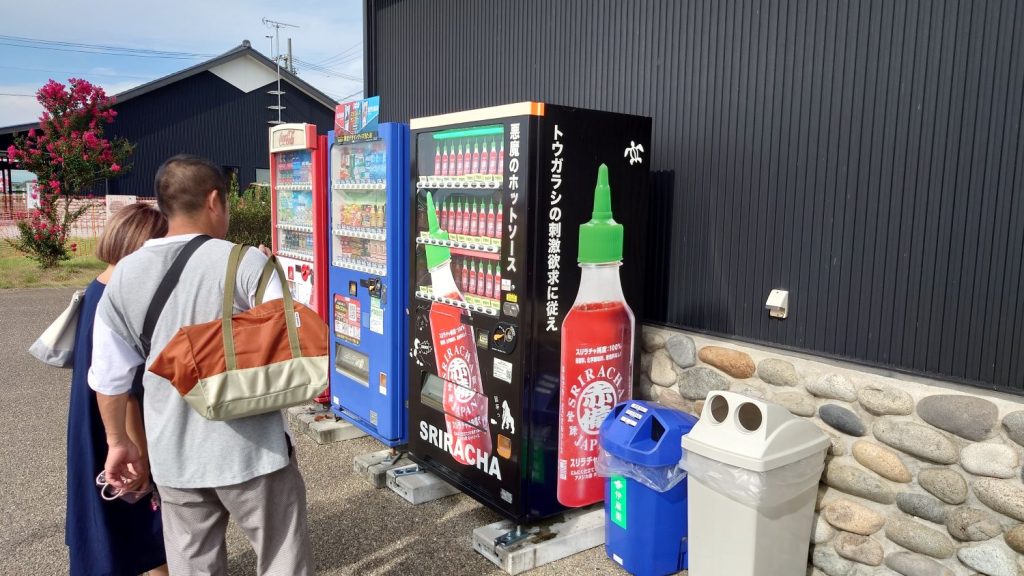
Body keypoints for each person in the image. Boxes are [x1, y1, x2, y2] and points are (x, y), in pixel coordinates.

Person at [89, 155, 313, 575]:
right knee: (282, 557)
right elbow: (294, 338)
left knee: (193, 567)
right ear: (214, 201)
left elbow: (109, 376)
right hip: (255, 451)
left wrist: (119, 441)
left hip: (174, 455)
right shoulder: (245, 262)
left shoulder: (123, 276)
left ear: (164, 206)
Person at [66, 203, 169, 576]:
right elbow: (123, 388)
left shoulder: (99, 286)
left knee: (119, 520)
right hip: (119, 423)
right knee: (148, 518)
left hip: (93, 419)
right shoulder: (120, 298)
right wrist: (137, 448)